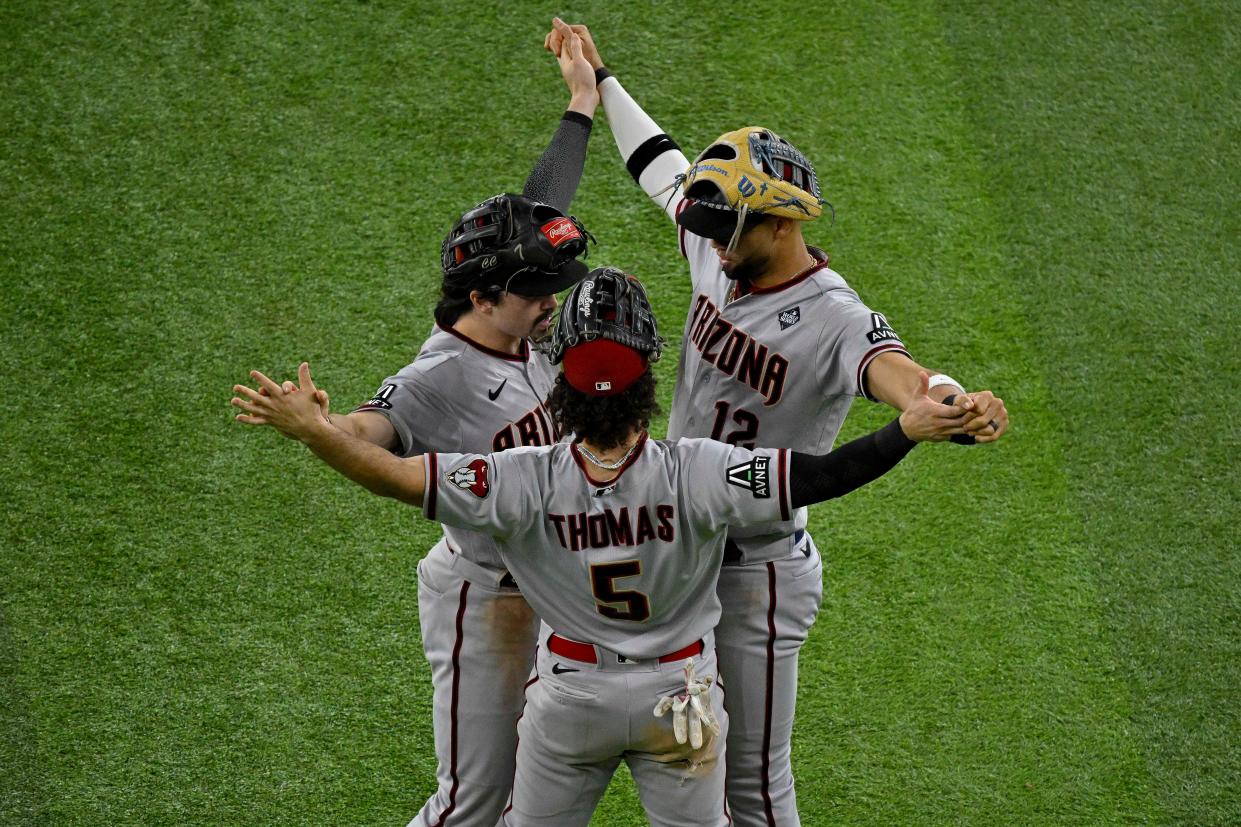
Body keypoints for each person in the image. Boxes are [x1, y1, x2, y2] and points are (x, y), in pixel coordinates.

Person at [231, 268, 972, 826]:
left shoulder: (517, 479)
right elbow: (824, 474)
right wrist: (903, 430)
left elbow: (389, 473)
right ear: (648, 379)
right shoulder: (703, 470)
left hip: (569, 701)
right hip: (681, 702)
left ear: (560, 389)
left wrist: (315, 431)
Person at [544, 19, 1010, 825]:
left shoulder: (831, 315)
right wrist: (601, 78)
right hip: (677, 544)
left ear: (783, 223)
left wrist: (949, 398)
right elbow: (660, 167)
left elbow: (896, 372)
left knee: (752, 785)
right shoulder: (718, 246)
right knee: (682, 756)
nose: (714, 243)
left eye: (732, 227)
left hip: (754, 569)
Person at [234, 30, 601, 827]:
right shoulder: (441, 374)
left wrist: (580, 103)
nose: (551, 301)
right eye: (535, 289)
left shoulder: (514, 328)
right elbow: (376, 430)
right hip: (487, 604)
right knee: (471, 804)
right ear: (480, 296)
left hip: (548, 594)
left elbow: (547, 205)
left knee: (535, 798)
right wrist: (317, 427)